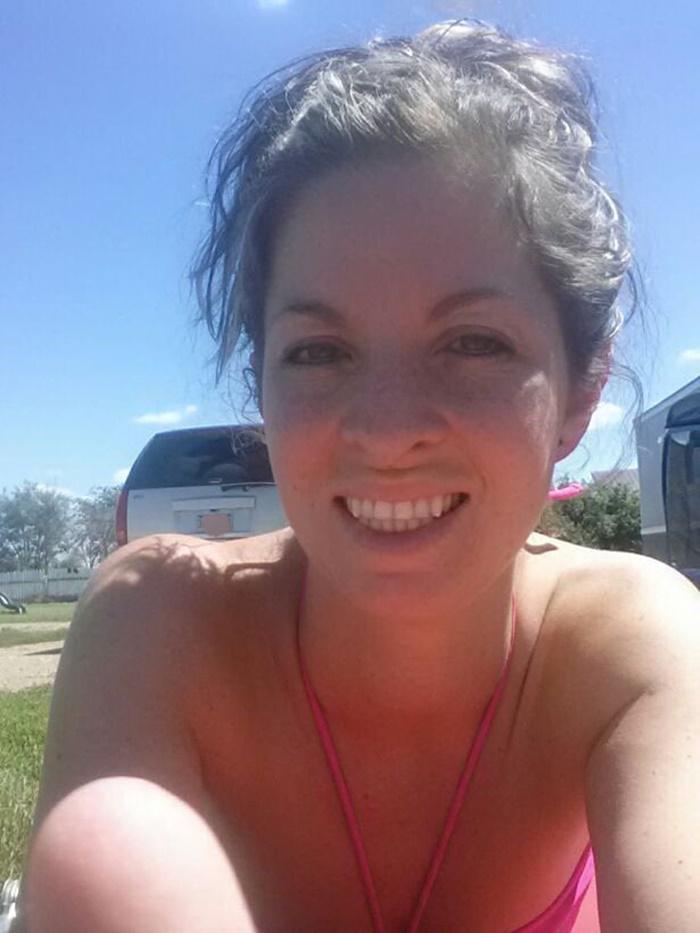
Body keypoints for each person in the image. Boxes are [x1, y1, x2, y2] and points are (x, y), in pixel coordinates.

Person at [22, 20, 700, 933]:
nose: (386, 431)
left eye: (473, 343)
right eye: (319, 351)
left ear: (582, 391)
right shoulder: (161, 629)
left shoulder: (632, 645)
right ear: (261, 387)